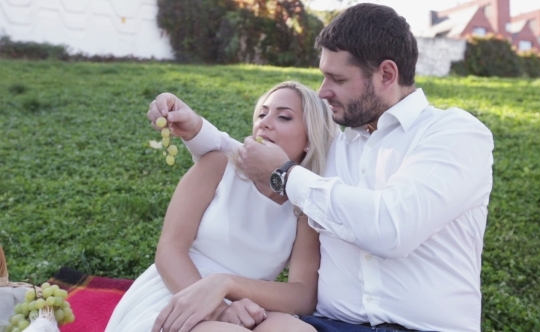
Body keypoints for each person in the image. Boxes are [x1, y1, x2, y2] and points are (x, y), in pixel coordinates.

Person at [148, 4, 494, 332]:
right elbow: (259, 156)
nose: (323, 92)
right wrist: (197, 129)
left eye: (337, 79)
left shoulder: (454, 134)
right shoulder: (334, 150)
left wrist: (285, 175)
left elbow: (392, 229)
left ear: (387, 74)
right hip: (329, 324)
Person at [107, 81, 340, 332]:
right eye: (262, 113)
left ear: (309, 138)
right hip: (179, 290)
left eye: (283, 117)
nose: (265, 121)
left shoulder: (304, 205)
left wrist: (228, 288)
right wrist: (219, 310)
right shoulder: (219, 165)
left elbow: (302, 296)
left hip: (246, 303)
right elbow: (169, 252)